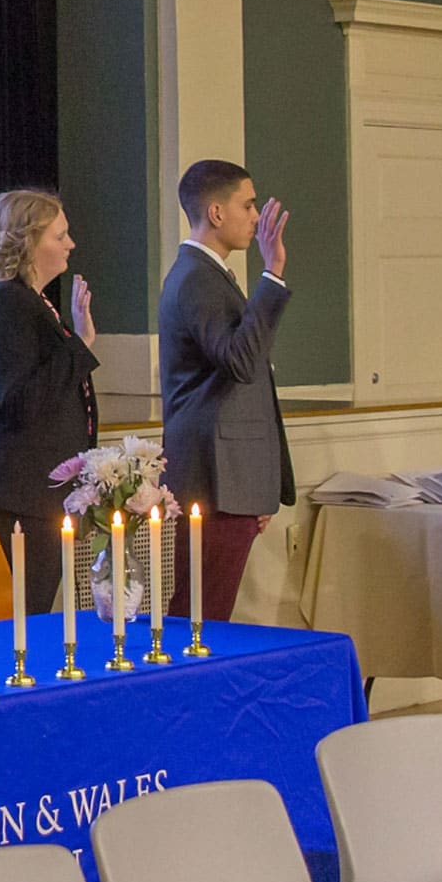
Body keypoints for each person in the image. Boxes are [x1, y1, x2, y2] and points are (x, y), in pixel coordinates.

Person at [0, 189, 99, 615]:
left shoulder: (24, 300)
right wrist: (81, 346)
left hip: (27, 496)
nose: (70, 244)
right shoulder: (7, 304)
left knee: (28, 621)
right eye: (60, 235)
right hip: (13, 496)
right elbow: (22, 400)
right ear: (28, 241)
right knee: (18, 627)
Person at [158, 159, 295, 623]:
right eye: (248, 204)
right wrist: (272, 275)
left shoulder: (209, 274)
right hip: (213, 481)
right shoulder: (197, 278)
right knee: (201, 621)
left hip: (228, 481)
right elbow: (239, 361)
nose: (256, 216)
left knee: (208, 617)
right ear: (216, 213)